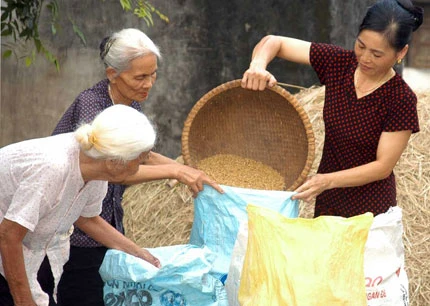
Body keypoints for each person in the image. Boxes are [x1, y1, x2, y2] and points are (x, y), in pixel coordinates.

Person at [39, 28, 223, 305]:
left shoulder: (130, 103)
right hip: (72, 233)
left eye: (153, 74)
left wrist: (189, 170)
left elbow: (141, 155)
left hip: (105, 225)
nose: (148, 83)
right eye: (140, 77)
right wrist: (175, 171)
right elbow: (115, 169)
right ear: (112, 74)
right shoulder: (93, 105)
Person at [241, 0, 423, 218]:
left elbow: (382, 166)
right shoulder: (339, 64)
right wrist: (258, 66)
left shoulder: (400, 98)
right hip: (329, 202)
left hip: (370, 211)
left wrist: (327, 180)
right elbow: (274, 42)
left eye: (376, 54)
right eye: (361, 46)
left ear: (401, 52)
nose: (364, 58)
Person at [0, 105, 161, 306]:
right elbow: (8, 235)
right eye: (139, 160)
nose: (139, 168)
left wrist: (138, 253)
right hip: (8, 248)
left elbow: (87, 218)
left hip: (30, 250)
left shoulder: (97, 170)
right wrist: (24, 300)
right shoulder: (54, 167)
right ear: (115, 161)